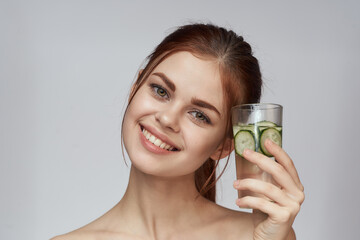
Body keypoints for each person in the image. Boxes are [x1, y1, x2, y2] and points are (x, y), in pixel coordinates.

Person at [52, 23, 304, 240]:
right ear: (135, 88)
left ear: (224, 146)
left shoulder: (258, 235)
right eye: (161, 91)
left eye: (199, 115)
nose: (167, 119)